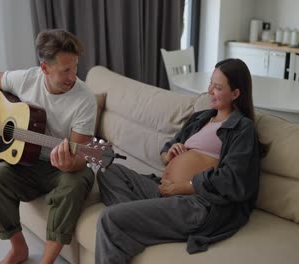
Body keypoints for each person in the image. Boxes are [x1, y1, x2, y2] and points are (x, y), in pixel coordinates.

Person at [95, 58, 263, 263]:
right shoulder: (201, 118)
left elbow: (232, 180)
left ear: (235, 94)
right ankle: (141, 222)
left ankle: (132, 224)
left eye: (217, 87)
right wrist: (170, 154)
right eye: (210, 83)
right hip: (163, 190)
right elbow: (168, 148)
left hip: (196, 204)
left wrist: (183, 187)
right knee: (108, 171)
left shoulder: (241, 128)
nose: (209, 90)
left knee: (110, 218)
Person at [0, 29, 97, 264]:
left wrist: (71, 163)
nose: (73, 76)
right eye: (65, 70)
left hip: (62, 167)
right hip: (28, 162)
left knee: (76, 183)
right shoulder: (27, 79)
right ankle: (18, 249)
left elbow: (80, 156)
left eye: (75, 67)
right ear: (44, 68)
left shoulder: (85, 99)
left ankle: (46, 261)